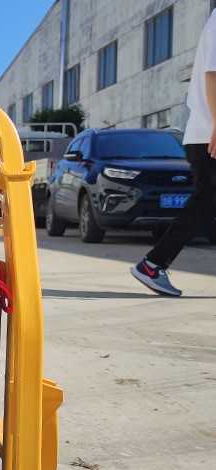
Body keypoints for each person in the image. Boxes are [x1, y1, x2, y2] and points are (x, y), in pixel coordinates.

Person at [132, 9, 216, 296]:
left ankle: (153, 264)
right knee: (204, 204)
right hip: (208, 135)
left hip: (206, 134)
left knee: (206, 204)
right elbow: (212, 75)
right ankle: (152, 264)